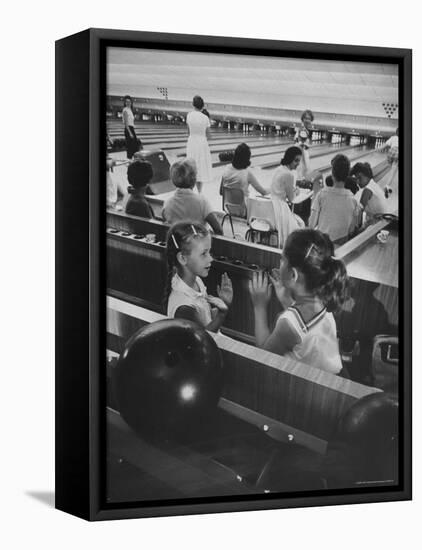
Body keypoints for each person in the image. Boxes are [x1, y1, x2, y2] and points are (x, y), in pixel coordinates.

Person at [249, 229, 349, 374]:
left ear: (293, 274)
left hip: (304, 390)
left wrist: (259, 305)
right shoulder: (322, 301)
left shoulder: (287, 324)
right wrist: (286, 300)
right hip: (328, 382)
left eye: (282, 259)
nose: (280, 263)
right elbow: (304, 328)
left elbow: (264, 356)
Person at [164, 222, 233, 332]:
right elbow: (204, 337)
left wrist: (224, 303)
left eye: (209, 252)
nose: (210, 259)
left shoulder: (196, 281)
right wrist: (222, 314)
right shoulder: (184, 307)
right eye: (204, 254)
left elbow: (206, 317)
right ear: (182, 258)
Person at [309, 154, 361, 245]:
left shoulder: (321, 195)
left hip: (323, 244)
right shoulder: (354, 201)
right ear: (347, 175)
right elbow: (352, 230)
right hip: (341, 246)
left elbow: (311, 225)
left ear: (332, 173)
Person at [162, 159, 223, 234]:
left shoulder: (167, 204)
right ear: (194, 180)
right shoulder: (202, 202)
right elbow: (219, 230)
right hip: (199, 244)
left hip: (177, 243)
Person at [221, 143, 269, 215]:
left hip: (228, 208)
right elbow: (263, 192)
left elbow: (221, 192)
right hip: (244, 211)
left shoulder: (226, 169)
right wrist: (273, 188)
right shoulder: (247, 173)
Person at [270, 146, 304, 247]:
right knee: (300, 226)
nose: (298, 163)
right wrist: (297, 191)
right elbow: (292, 199)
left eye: (299, 161)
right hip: (280, 208)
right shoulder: (289, 174)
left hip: (271, 206)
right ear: (289, 159)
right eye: (296, 160)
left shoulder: (278, 169)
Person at [186, 95, 213, 193]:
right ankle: (200, 193)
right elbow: (209, 135)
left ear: (193, 105)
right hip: (202, 143)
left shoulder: (189, 115)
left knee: (191, 167)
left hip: (192, 142)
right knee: (200, 168)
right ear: (203, 106)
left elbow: (188, 132)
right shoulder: (205, 118)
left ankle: (190, 191)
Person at [294, 109, 314, 179]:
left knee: (300, 176)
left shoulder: (303, 129)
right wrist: (304, 163)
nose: (307, 120)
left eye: (309, 119)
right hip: (301, 157)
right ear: (302, 119)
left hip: (298, 156)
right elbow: (301, 147)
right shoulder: (303, 131)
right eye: (306, 118)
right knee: (302, 176)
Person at [380, 128, 399, 195]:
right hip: (397, 153)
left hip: (391, 152)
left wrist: (379, 149)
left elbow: (385, 145)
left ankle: (388, 185)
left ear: (396, 132)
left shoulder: (393, 137)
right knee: (393, 171)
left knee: (391, 168)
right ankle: (387, 185)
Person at [122, 95, 140, 159]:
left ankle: (134, 160)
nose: (128, 103)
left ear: (131, 102)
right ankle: (129, 160)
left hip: (131, 128)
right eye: (126, 102)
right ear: (125, 103)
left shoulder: (130, 110)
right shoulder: (125, 110)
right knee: (130, 146)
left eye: (129, 101)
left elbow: (131, 122)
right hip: (128, 129)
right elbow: (126, 123)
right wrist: (130, 133)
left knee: (134, 146)